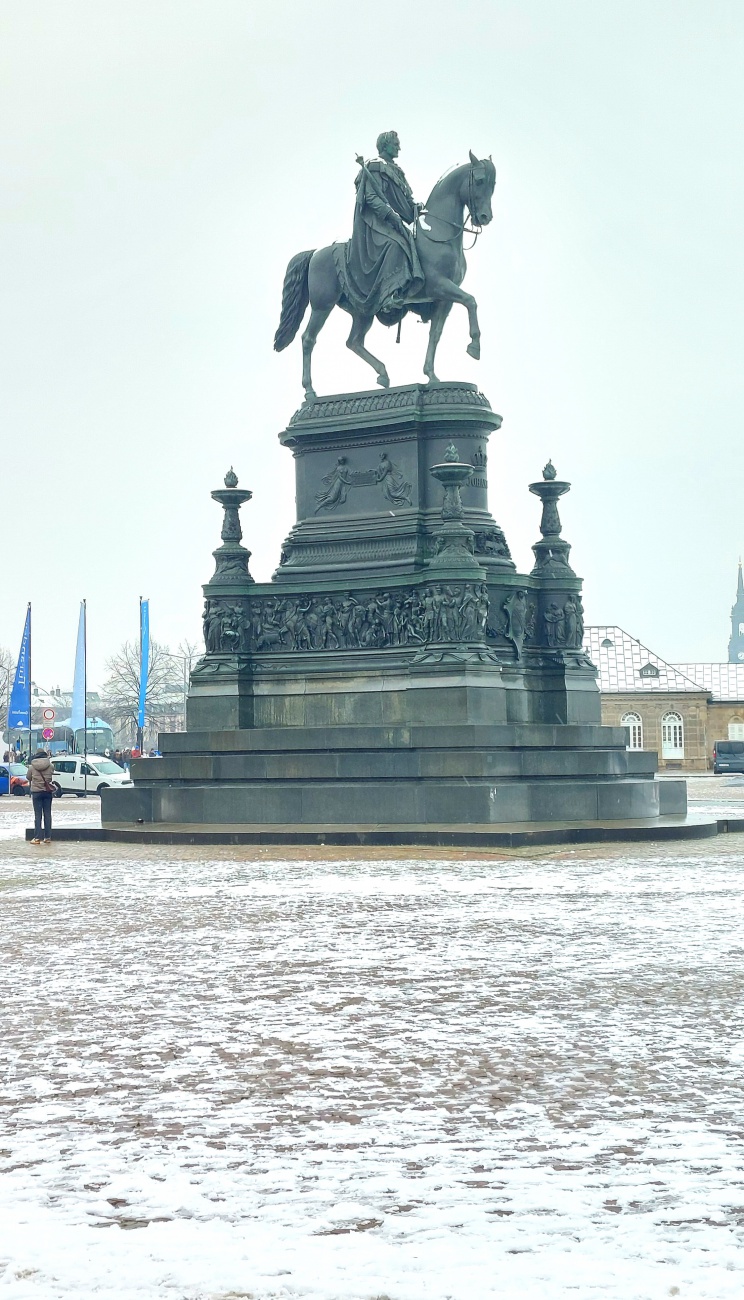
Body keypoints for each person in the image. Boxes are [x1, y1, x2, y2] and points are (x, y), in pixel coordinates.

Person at [339, 130, 424, 321]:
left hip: (393, 221)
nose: (399, 147)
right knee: (396, 246)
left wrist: (415, 207)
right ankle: (388, 295)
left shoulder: (396, 170)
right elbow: (370, 197)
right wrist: (389, 214)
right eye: (395, 143)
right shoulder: (374, 166)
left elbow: (405, 200)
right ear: (385, 145)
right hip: (375, 223)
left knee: (414, 242)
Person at [27, 749, 55, 844]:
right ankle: (47, 837)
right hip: (47, 792)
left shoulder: (31, 767)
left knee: (37, 815)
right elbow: (51, 774)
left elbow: (28, 777)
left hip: (36, 793)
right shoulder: (50, 766)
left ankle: (37, 838)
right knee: (47, 814)